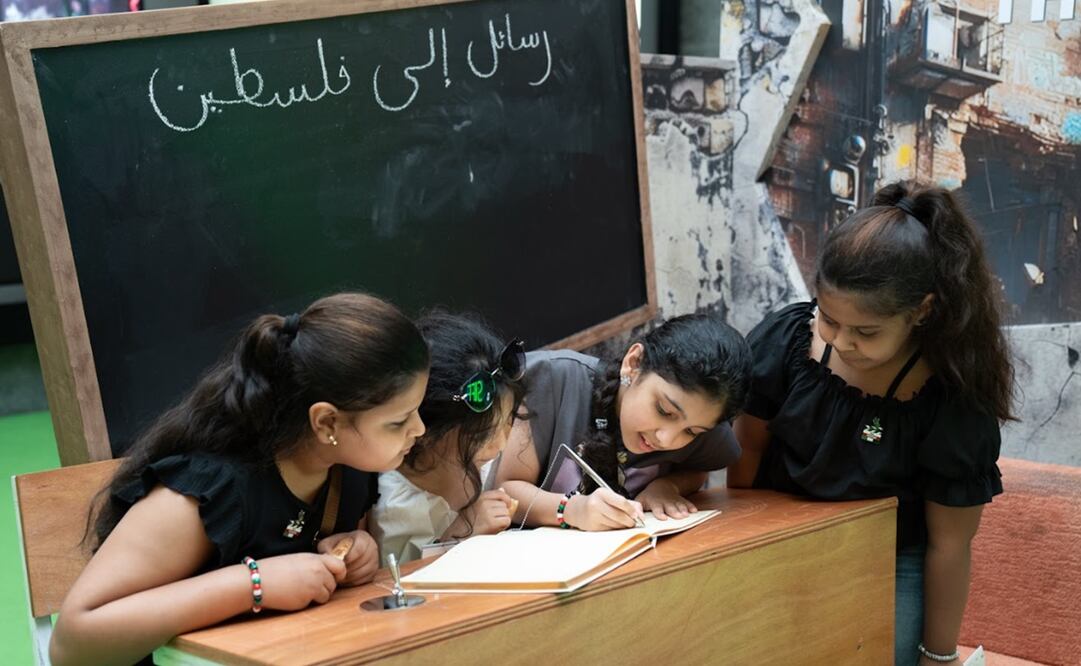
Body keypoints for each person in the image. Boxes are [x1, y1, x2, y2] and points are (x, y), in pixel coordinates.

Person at [50, 293, 429, 666]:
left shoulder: (350, 470)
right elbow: (73, 643)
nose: (419, 429)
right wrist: (254, 585)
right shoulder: (207, 491)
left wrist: (356, 548)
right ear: (327, 422)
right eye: (398, 421)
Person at [729, 181, 1013, 666]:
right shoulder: (785, 342)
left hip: (888, 562)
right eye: (829, 319)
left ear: (921, 311)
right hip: (779, 534)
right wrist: (746, 559)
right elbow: (746, 457)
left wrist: (938, 656)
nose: (841, 342)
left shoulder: (950, 402)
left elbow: (949, 545)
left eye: (866, 331)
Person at [497, 313, 751, 530]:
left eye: (692, 432)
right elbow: (506, 490)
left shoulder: (704, 415)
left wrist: (668, 486)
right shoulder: (553, 381)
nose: (667, 439)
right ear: (634, 363)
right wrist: (571, 510)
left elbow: (699, 468)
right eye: (664, 410)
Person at [370, 312, 528, 565]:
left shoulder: (480, 463)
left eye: (509, 420)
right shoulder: (395, 506)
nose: (500, 444)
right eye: (481, 435)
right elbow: (400, 581)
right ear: (423, 431)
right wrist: (462, 531)